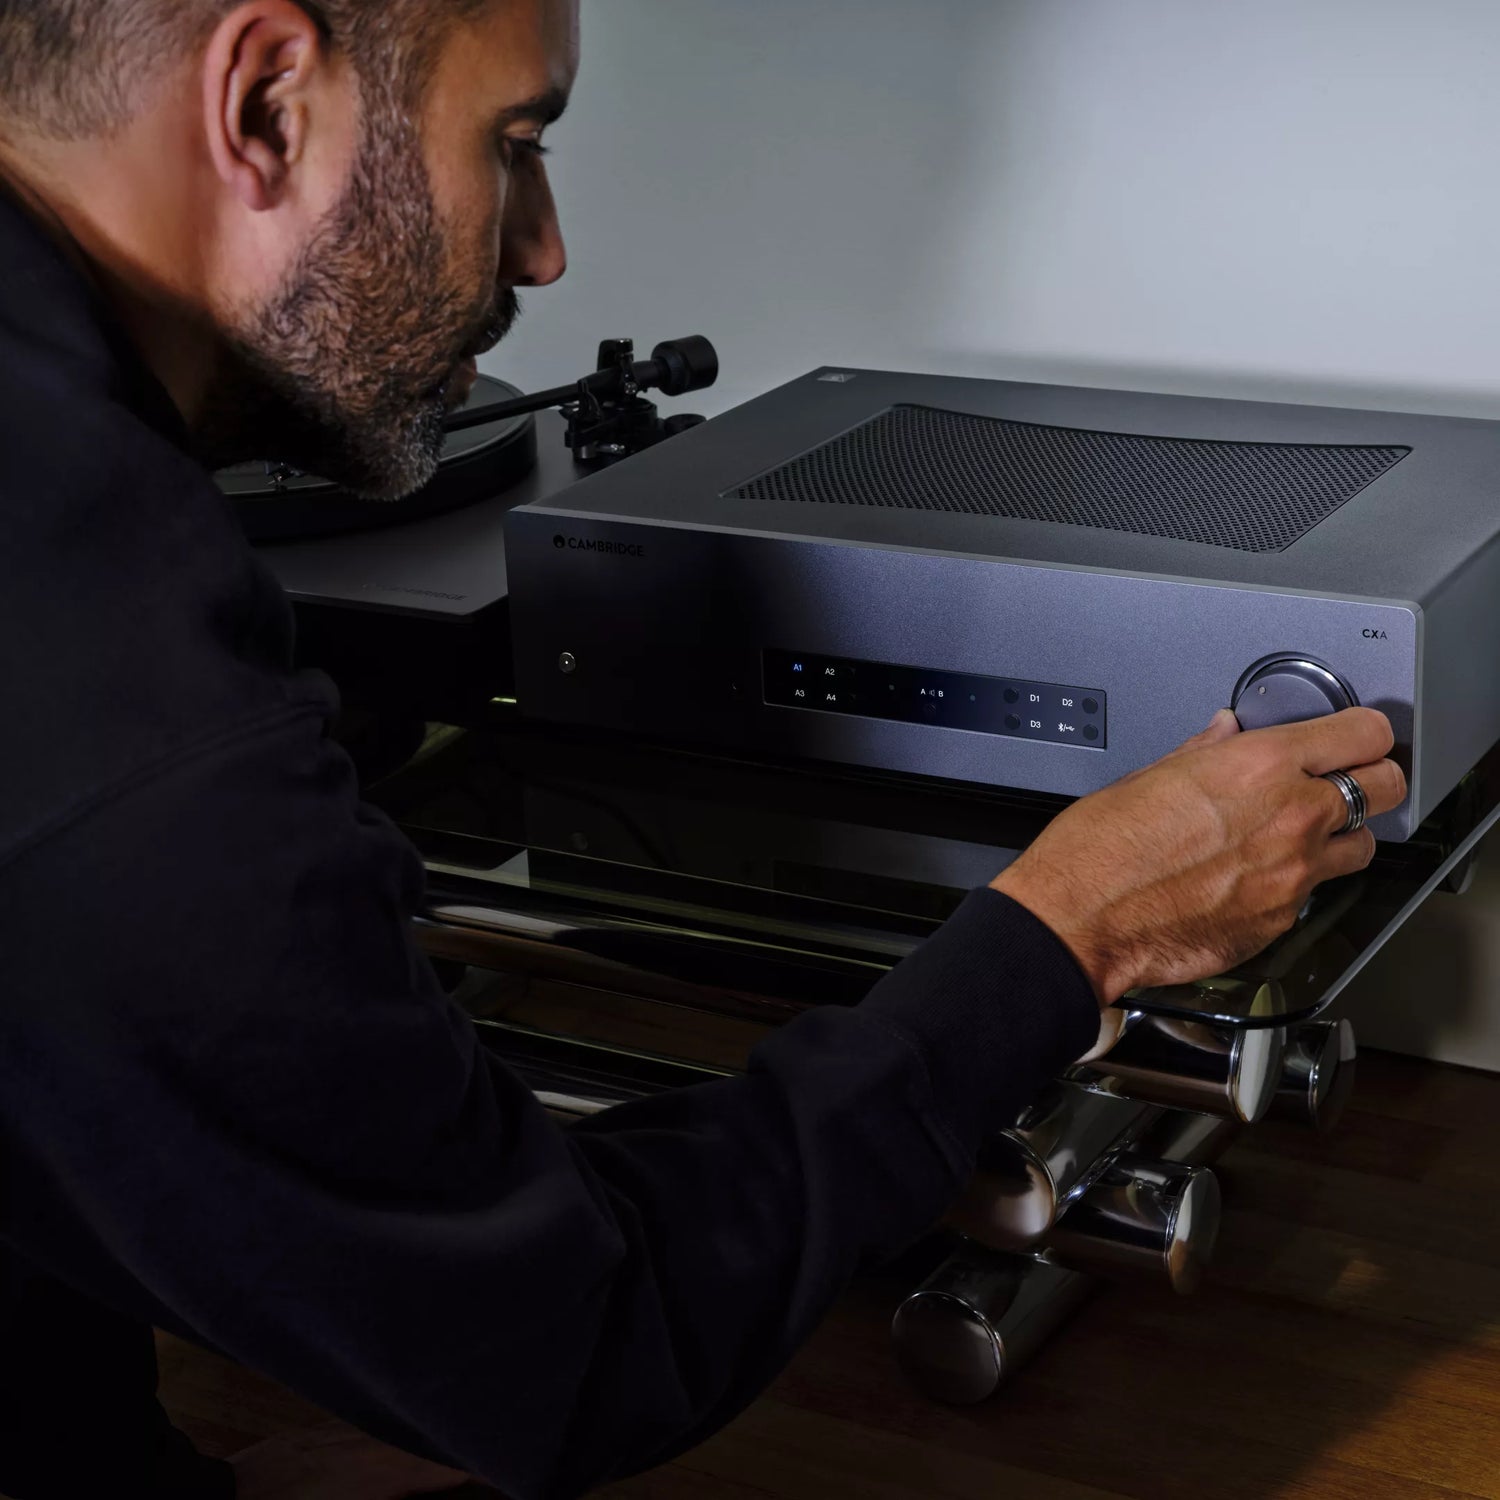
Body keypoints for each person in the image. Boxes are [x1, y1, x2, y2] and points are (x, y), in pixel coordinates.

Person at [0, 1, 1406, 1496]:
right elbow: (586, 1347)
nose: (543, 250)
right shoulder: (137, 710)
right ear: (269, 101)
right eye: (516, 143)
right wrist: (1075, 932)